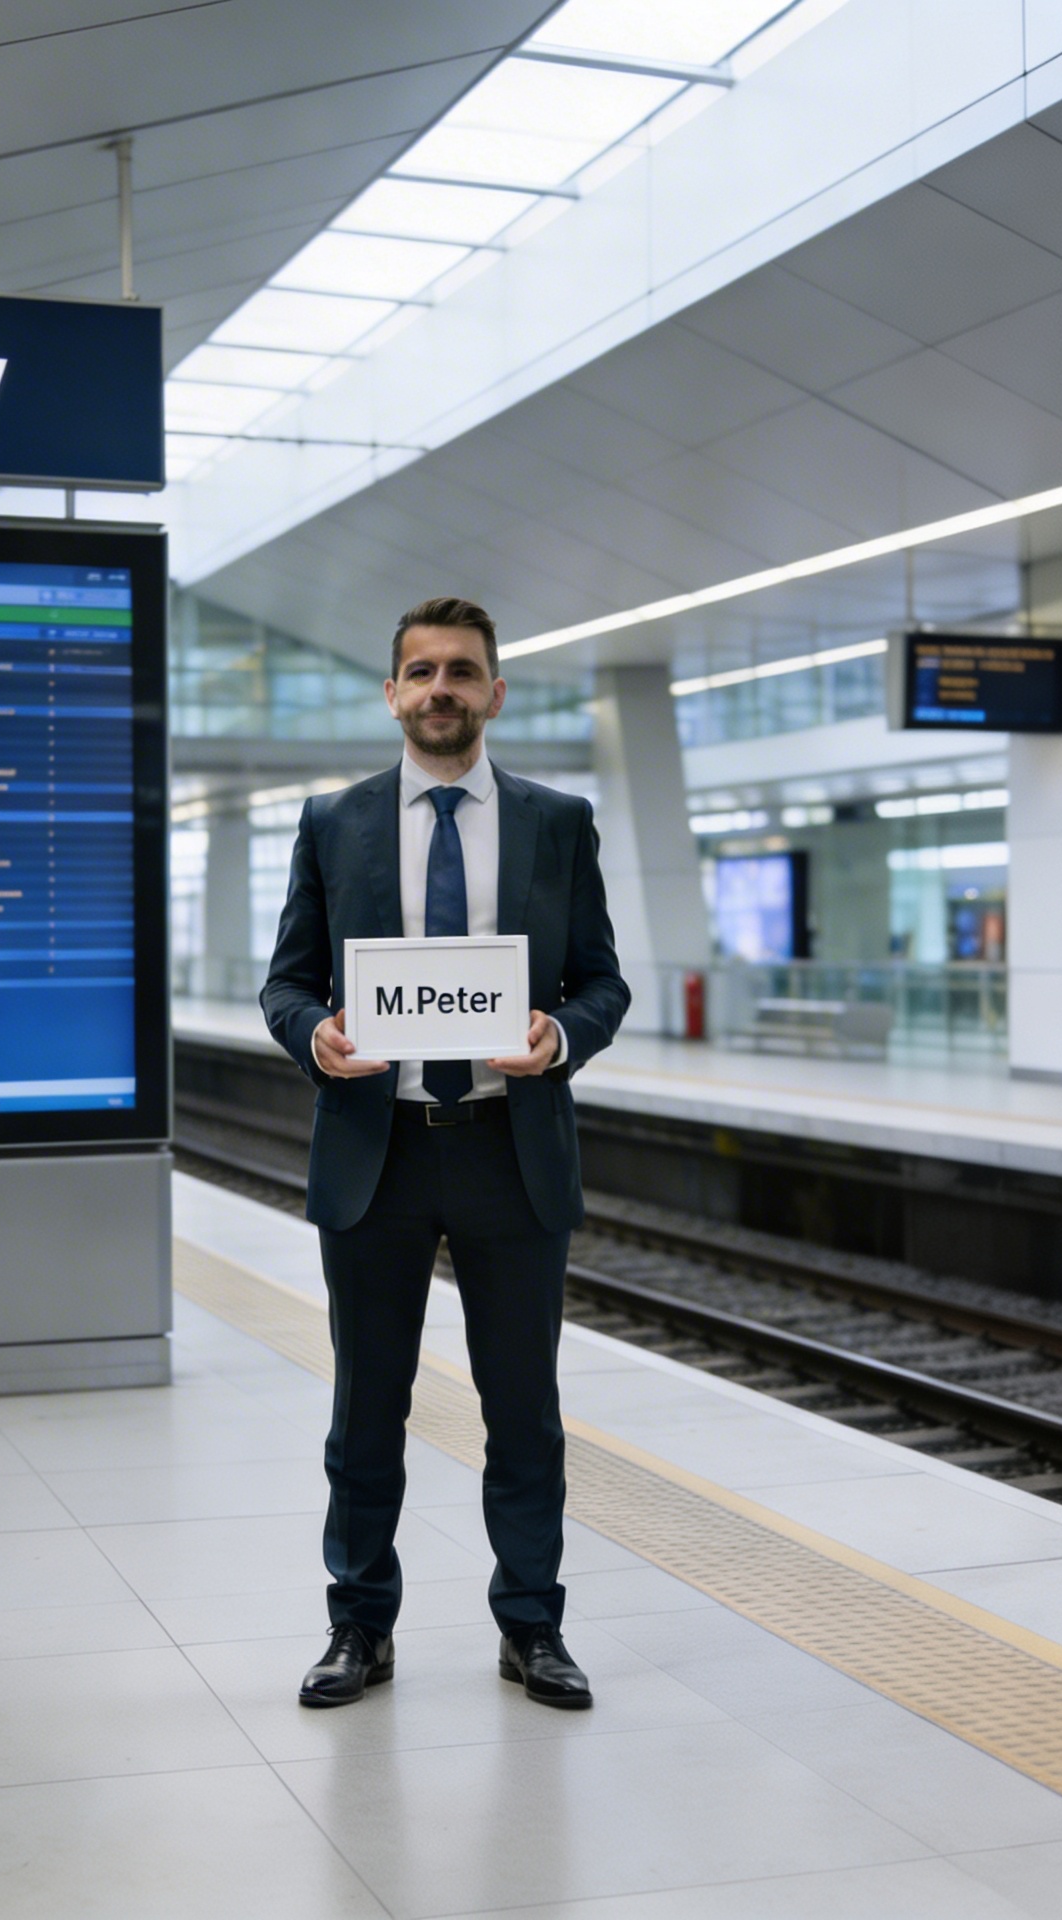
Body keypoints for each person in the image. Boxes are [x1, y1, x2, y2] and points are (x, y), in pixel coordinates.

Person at [260, 595, 630, 1711]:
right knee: (368, 1408)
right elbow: (286, 982)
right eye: (420, 672)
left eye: (461, 672)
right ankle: (357, 1627)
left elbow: (602, 981)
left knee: (523, 1409)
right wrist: (314, 1038)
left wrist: (559, 1037)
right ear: (392, 693)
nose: (440, 691)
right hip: (380, 1153)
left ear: (494, 692)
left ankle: (533, 1627)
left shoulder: (558, 822)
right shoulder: (336, 821)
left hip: (509, 1153)